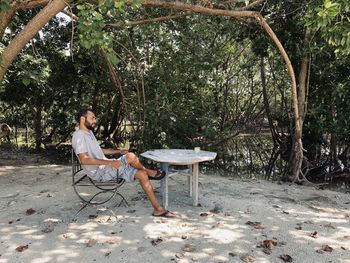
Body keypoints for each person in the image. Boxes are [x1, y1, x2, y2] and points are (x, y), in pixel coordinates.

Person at [72, 108, 175, 218]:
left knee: (141, 174)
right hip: (99, 172)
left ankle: (158, 209)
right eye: (92, 118)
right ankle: (150, 172)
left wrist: (118, 151)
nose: (95, 120)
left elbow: (98, 151)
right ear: (83, 119)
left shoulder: (89, 133)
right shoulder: (79, 136)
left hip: (106, 167)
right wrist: (110, 164)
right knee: (130, 156)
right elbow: (84, 160)